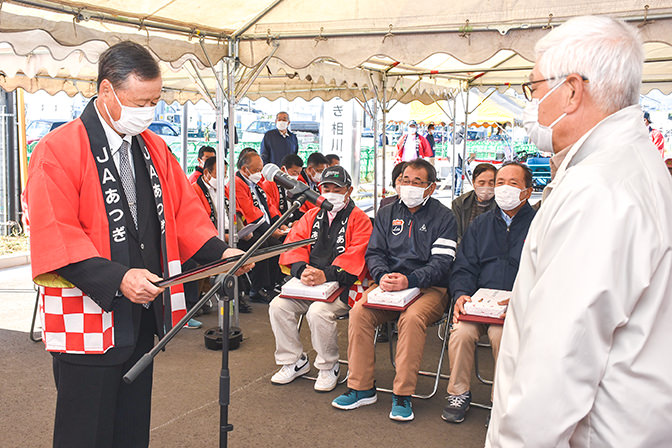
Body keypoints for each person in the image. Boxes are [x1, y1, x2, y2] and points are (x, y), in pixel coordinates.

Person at [25, 41, 252, 448]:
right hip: (89, 312)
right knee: (85, 432)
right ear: (107, 91)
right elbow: (56, 233)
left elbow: (183, 212)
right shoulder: (58, 149)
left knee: (131, 428)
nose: (149, 111)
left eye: (155, 100)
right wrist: (117, 278)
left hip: (142, 310)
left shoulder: (152, 147)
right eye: (141, 101)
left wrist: (221, 253)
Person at [487, 16, 672, 447]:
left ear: (571, 91)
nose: (530, 104)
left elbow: (558, 362)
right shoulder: (631, 166)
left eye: (533, 89)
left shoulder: (598, 189)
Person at [332, 159, 457, 422]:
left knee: (411, 319)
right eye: (404, 181)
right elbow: (375, 252)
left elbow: (442, 264)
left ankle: (403, 394)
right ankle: (361, 387)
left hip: (429, 288)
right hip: (388, 285)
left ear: (431, 187)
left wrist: (409, 280)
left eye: (417, 182)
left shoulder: (445, 217)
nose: (409, 186)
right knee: (359, 312)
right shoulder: (387, 212)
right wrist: (382, 276)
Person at [441, 162, 535, 424]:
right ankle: (458, 392)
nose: (503, 188)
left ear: (527, 192)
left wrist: (519, 298)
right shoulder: (481, 224)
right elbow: (464, 266)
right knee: (460, 332)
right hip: (478, 302)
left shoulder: (539, 225)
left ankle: (501, 400)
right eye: (500, 182)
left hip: (515, 306)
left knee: (501, 335)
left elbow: (544, 272)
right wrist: (460, 293)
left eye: (513, 183)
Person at [268, 166, 373, 392]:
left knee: (318, 312)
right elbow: (293, 247)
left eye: (338, 187)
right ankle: (293, 360)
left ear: (349, 190)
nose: (331, 191)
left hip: (344, 286)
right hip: (308, 285)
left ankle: (328, 366)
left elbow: (358, 256)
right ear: (318, 189)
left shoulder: (360, 219)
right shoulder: (309, 216)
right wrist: (300, 270)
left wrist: (326, 274)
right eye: (326, 187)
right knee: (278, 306)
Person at [228, 150, 287, 303]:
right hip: (249, 230)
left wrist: (280, 223)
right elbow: (249, 212)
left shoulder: (256, 182)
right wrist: (270, 231)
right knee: (263, 244)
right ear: (244, 169)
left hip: (263, 226)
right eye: (256, 170)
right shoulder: (236, 184)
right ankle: (257, 289)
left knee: (279, 245)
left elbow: (270, 206)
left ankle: (272, 284)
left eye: (261, 169)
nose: (259, 173)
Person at [451, 163, 497, 245]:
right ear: (473, 183)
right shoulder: (459, 203)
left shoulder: (502, 205)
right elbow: (455, 234)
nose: (486, 187)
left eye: (491, 183)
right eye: (481, 183)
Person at [265, 153, 305, 226]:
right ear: (283, 169)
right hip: (277, 225)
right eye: (294, 172)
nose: (296, 176)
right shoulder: (270, 185)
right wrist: (288, 224)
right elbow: (272, 210)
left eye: (298, 173)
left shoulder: (296, 186)